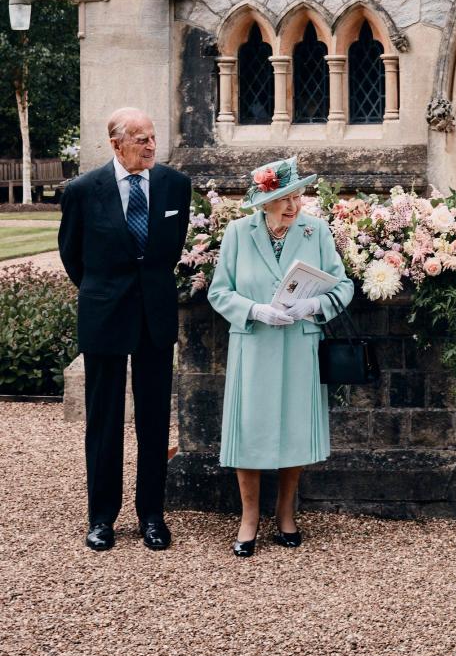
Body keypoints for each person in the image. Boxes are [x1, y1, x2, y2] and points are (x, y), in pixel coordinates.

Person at [58, 108, 192, 551]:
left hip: (155, 316)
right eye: (141, 140)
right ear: (116, 144)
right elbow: (72, 256)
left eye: (153, 138)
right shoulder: (82, 190)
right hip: (104, 314)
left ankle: (152, 514)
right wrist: (105, 293)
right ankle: (101, 518)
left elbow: (169, 252)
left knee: (154, 420)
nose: (151, 146)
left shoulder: (176, 185)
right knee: (104, 420)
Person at [207, 156, 353, 557]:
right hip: (253, 342)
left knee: (293, 427)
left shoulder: (316, 231)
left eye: (298, 195)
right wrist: (255, 311)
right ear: (263, 201)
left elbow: (343, 288)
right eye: (284, 198)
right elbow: (219, 292)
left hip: (299, 342)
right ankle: (249, 517)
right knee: (249, 429)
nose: (294, 205)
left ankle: (286, 512)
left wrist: (312, 307)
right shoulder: (238, 233)